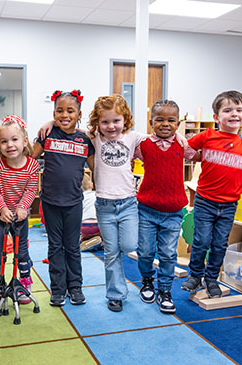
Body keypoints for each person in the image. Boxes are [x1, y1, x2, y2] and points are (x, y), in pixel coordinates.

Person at [181, 90, 242, 298]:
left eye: (239, 110)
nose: (234, 114)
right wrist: (196, 155)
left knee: (219, 244)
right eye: (227, 110)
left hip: (229, 204)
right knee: (201, 241)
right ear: (216, 117)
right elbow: (186, 150)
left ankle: (211, 279)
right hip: (205, 201)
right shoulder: (208, 135)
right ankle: (195, 276)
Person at [135, 100, 198, 314]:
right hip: (146, 209)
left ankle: (164, 290)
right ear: (151, 122)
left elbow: (199, 153)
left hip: (173, 211)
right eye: (159, 119)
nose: (165, 124)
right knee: (145, 251)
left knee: (168, 253)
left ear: (178, 123)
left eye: (171, 120)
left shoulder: (182, 144)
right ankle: (146, 281)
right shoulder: (143, 144)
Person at [33, 90, 94, 307]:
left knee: (73, 246)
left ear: (79, 114)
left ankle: (75, 287)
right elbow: (31, 157)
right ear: (53, 113)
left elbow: (95, 169)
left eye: (70, 110)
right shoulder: (47, 135)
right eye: (59, 111)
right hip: (49, 202)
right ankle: (58, 289)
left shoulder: (85, 139)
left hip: (73, 202)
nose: (64, 114)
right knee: (55, 246)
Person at [87, 94, 146, 312]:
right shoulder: (94, 137)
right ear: (97, 123)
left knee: (129, 245)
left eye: (116, 121)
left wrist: (178, 138)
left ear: (125, 120)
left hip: (128, 203)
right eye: (105, 122)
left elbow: (158, 140)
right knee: (111, 252)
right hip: (104, 205)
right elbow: (71, 130)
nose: (111, 126)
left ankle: (118, 278)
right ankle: (116, 294)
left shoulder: (132, 137)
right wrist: (48, 123)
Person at [0, 115, 39, 306]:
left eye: (14, 139)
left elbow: (31, 189)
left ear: (24, 141)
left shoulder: (32, 165)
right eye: (4, 141)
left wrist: (23, 207)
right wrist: (1, 209)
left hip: (20, 216)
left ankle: (25, 281)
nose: (10, 145)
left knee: (22, 251)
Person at [80, 172, 102, 252]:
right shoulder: (97, 195)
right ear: (92, 185)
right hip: (98, 226)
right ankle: (101, 242)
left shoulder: (79, 198)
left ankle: (85, 239)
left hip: (84, 227)